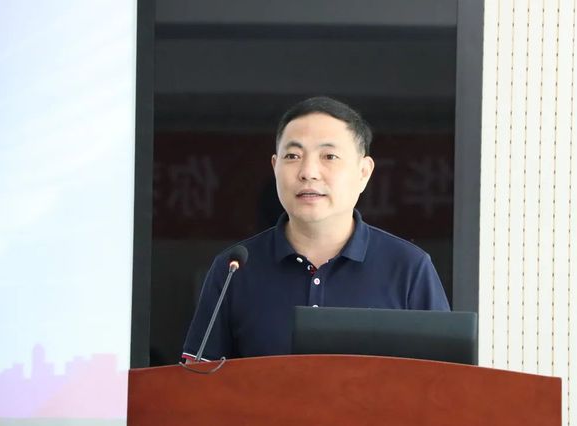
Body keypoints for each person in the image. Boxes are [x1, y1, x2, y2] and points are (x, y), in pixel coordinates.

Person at [182, 96, 450, 361]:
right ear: (275, 167)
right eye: (293, 156)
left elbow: (446, 381)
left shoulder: (408, 267)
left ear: (363, 172)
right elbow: (196, 380)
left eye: (329, 156)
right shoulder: (234, 269)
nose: (308, 172)